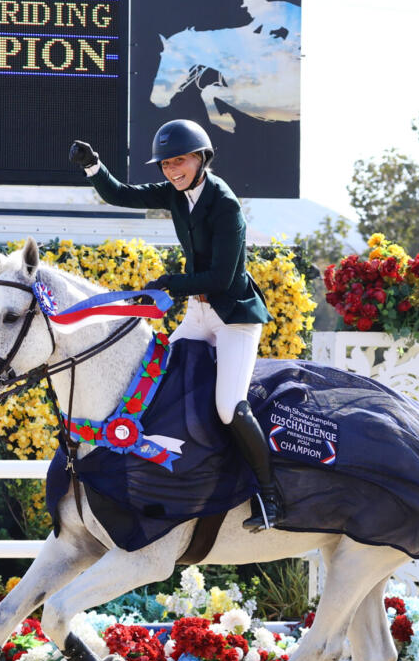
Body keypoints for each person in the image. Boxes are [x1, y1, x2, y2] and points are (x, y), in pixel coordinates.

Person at [69, 120, 283, 530]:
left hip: (233, 318)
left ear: (202, 158)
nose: (171, 170)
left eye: (179, 161)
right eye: (166, 164)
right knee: (155, 381)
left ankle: (270, 496)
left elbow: (222, 278)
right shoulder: (175, 192)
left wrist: (170, 283)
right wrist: (94, 166)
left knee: (227, 406)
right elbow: (121, 194)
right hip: (199, 315)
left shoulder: (225, 204)